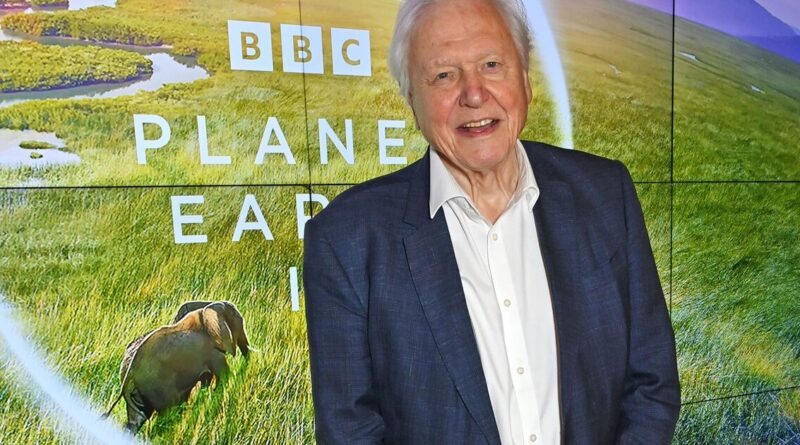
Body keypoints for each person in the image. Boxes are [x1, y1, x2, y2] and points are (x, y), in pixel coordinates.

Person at [303, 0, 681, 443]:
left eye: (491, 64)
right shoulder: (345, 240)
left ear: (525, 78)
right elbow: (350, 433)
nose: (474, 93)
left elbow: (653, 384)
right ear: (411, 101)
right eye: (444, 75)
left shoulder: (605, 193)